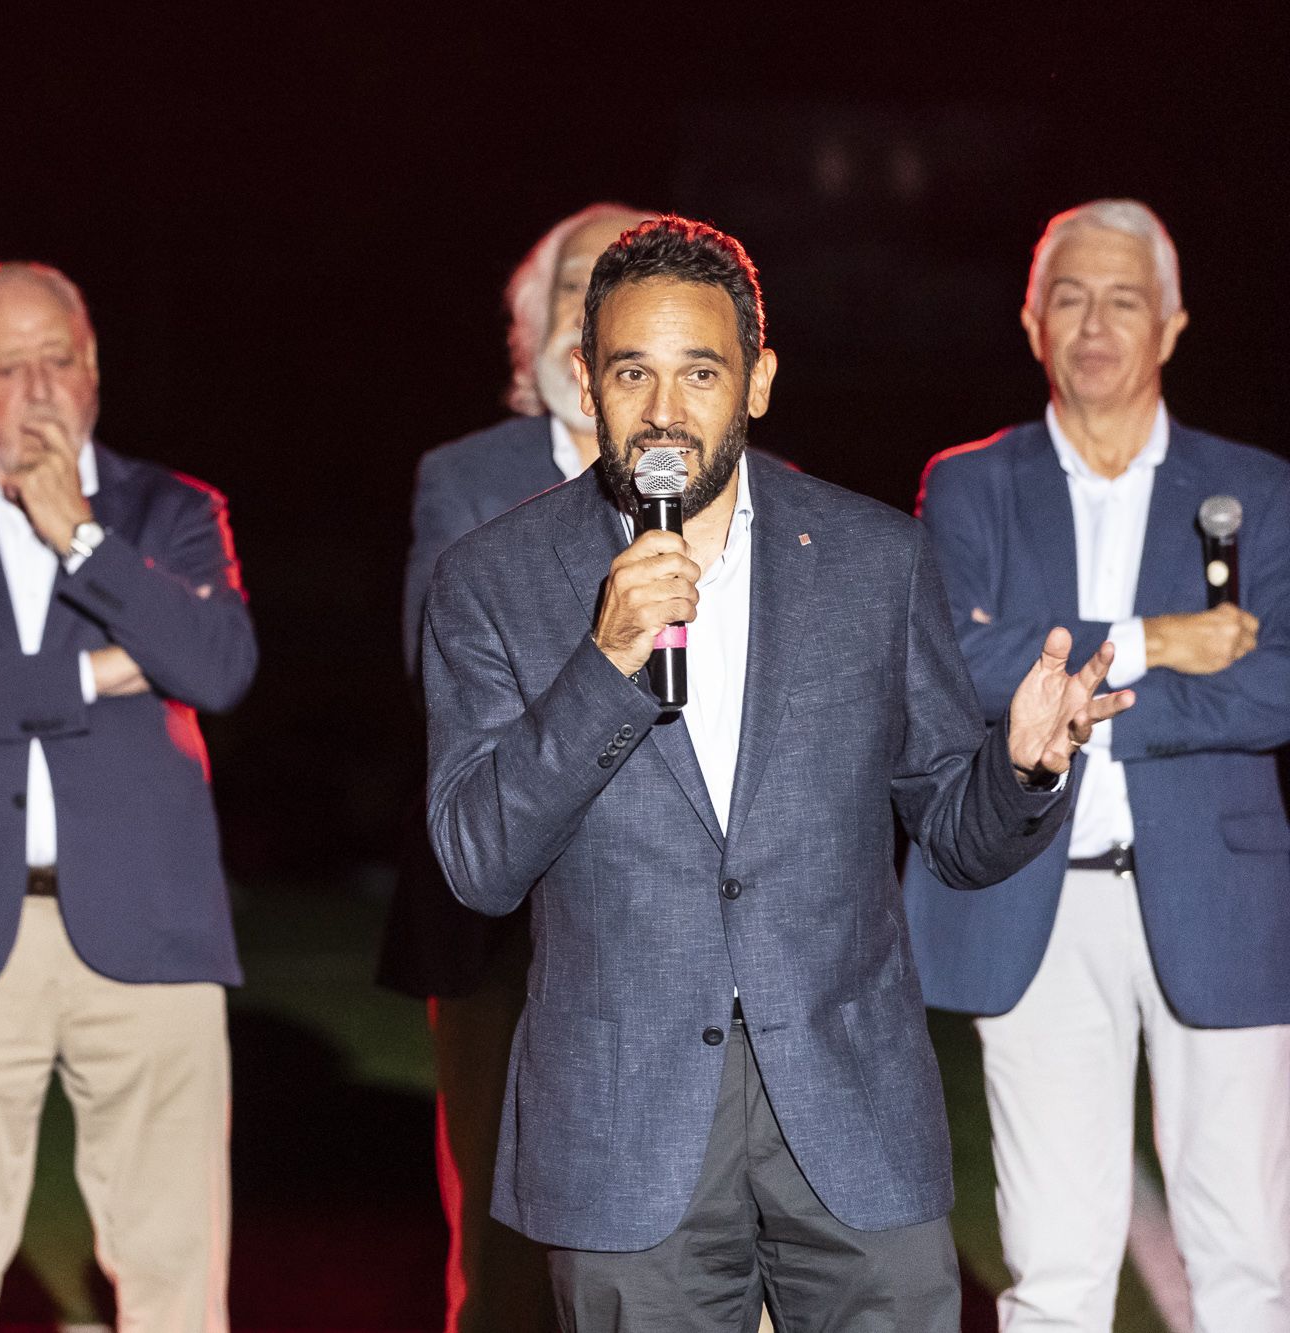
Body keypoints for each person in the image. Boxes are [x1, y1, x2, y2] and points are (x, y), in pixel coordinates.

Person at [423, 215, 1128, 1330]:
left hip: (849, 1113)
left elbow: (951, 828)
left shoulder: (871, 559)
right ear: (583, 382)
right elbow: (476, 862)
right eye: (630, 372)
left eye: (698, 371)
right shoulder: (490, 580)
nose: (662, 410)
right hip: (625, 1133)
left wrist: (1020, 767)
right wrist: (604, 665)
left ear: (756, 381)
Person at [0, 261, 257, 1333]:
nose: (35, 389)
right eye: (6, 366)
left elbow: (214, 664)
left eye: (55, 360)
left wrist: (80, 536)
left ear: (94, 365)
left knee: (173, 1261)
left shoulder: (173, 510)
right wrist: (92, 672)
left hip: (148, 926)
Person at [903, 199, 1290, 1331]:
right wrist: (1155, 638)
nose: (1091, 323)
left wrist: (1068, 680)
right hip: (1039, 895)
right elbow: (950, 661)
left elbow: (1274, 684)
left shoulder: (1259, 491)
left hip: (1220, 899)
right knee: (1054, 1269)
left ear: (1169, 324)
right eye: (1066, 296)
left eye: (1122, 299)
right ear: (1030, 320)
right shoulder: (971, 482)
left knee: (1246, 1262)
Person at [379, 201, 653, 1333]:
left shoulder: (746, 478)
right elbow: (437, 668)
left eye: (617, 284)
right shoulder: (464, 475)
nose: (588, 309)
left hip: (684, 908)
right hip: (506, 921)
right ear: (531, 324)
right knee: (504, 1247)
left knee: (680, 1228)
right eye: (570, 285)